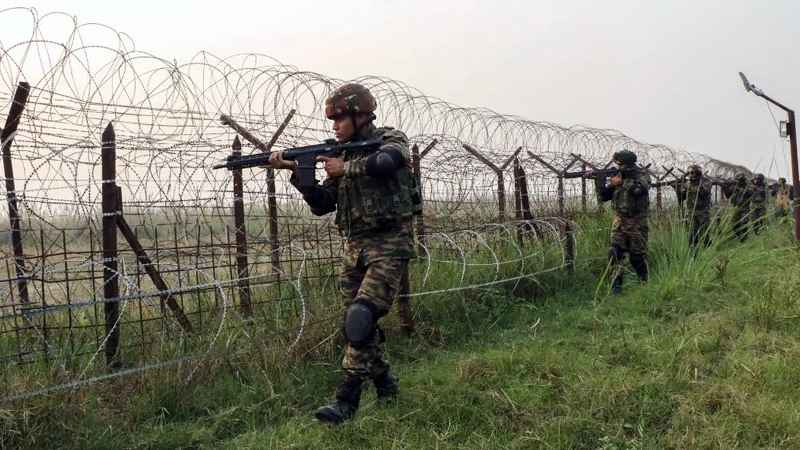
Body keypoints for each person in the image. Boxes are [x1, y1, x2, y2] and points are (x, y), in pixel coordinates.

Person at [269, 83, 420, 424]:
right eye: (332, 120)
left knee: (361, 316)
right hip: (354, 250)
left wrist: (345, 169)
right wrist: (298, 173)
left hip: (389, 244)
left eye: (340, 119)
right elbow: (323, 205)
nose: (334, 126)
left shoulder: (388, 138)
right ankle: (385, 384)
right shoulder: (343, 155)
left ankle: (346, 400)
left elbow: (390, 161)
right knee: (357, 326)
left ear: (361, 115)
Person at [594, 149, 650, 294]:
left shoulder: (642, 175)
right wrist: (602, 181)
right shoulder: (618, 176)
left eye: (621, 165)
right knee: (615, 253)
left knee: (636, 257)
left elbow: (639, 191)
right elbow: (604, 197)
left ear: (628, 164)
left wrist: (622, 182)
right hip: (619, 221)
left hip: (637, 222)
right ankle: (616, 289)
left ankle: (645, 282)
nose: (619, 168)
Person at [677, 165, 713, 250]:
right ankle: (693, 252)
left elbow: (704, 192)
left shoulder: (706, 182)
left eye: (693, 173)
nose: (691, 175)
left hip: (703, 212)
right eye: (690, 173)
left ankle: (707, 249)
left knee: (704, 233)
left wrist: (691, 185)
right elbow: (682, 197)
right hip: (691, 212)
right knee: (692, 234)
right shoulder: (688, 183)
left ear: (699, 173)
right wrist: (681, 187)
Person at [729, 173, 752, 242]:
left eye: (738, 180)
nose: (737, 182)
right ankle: (739, 236)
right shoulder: (736, 186)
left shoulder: (748, 186)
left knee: (744, 223)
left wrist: (741, 190)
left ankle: (744, 238)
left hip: (745, 208)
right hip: (737, 208)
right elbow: (730, 196)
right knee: (734, 224)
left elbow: (751, 193)